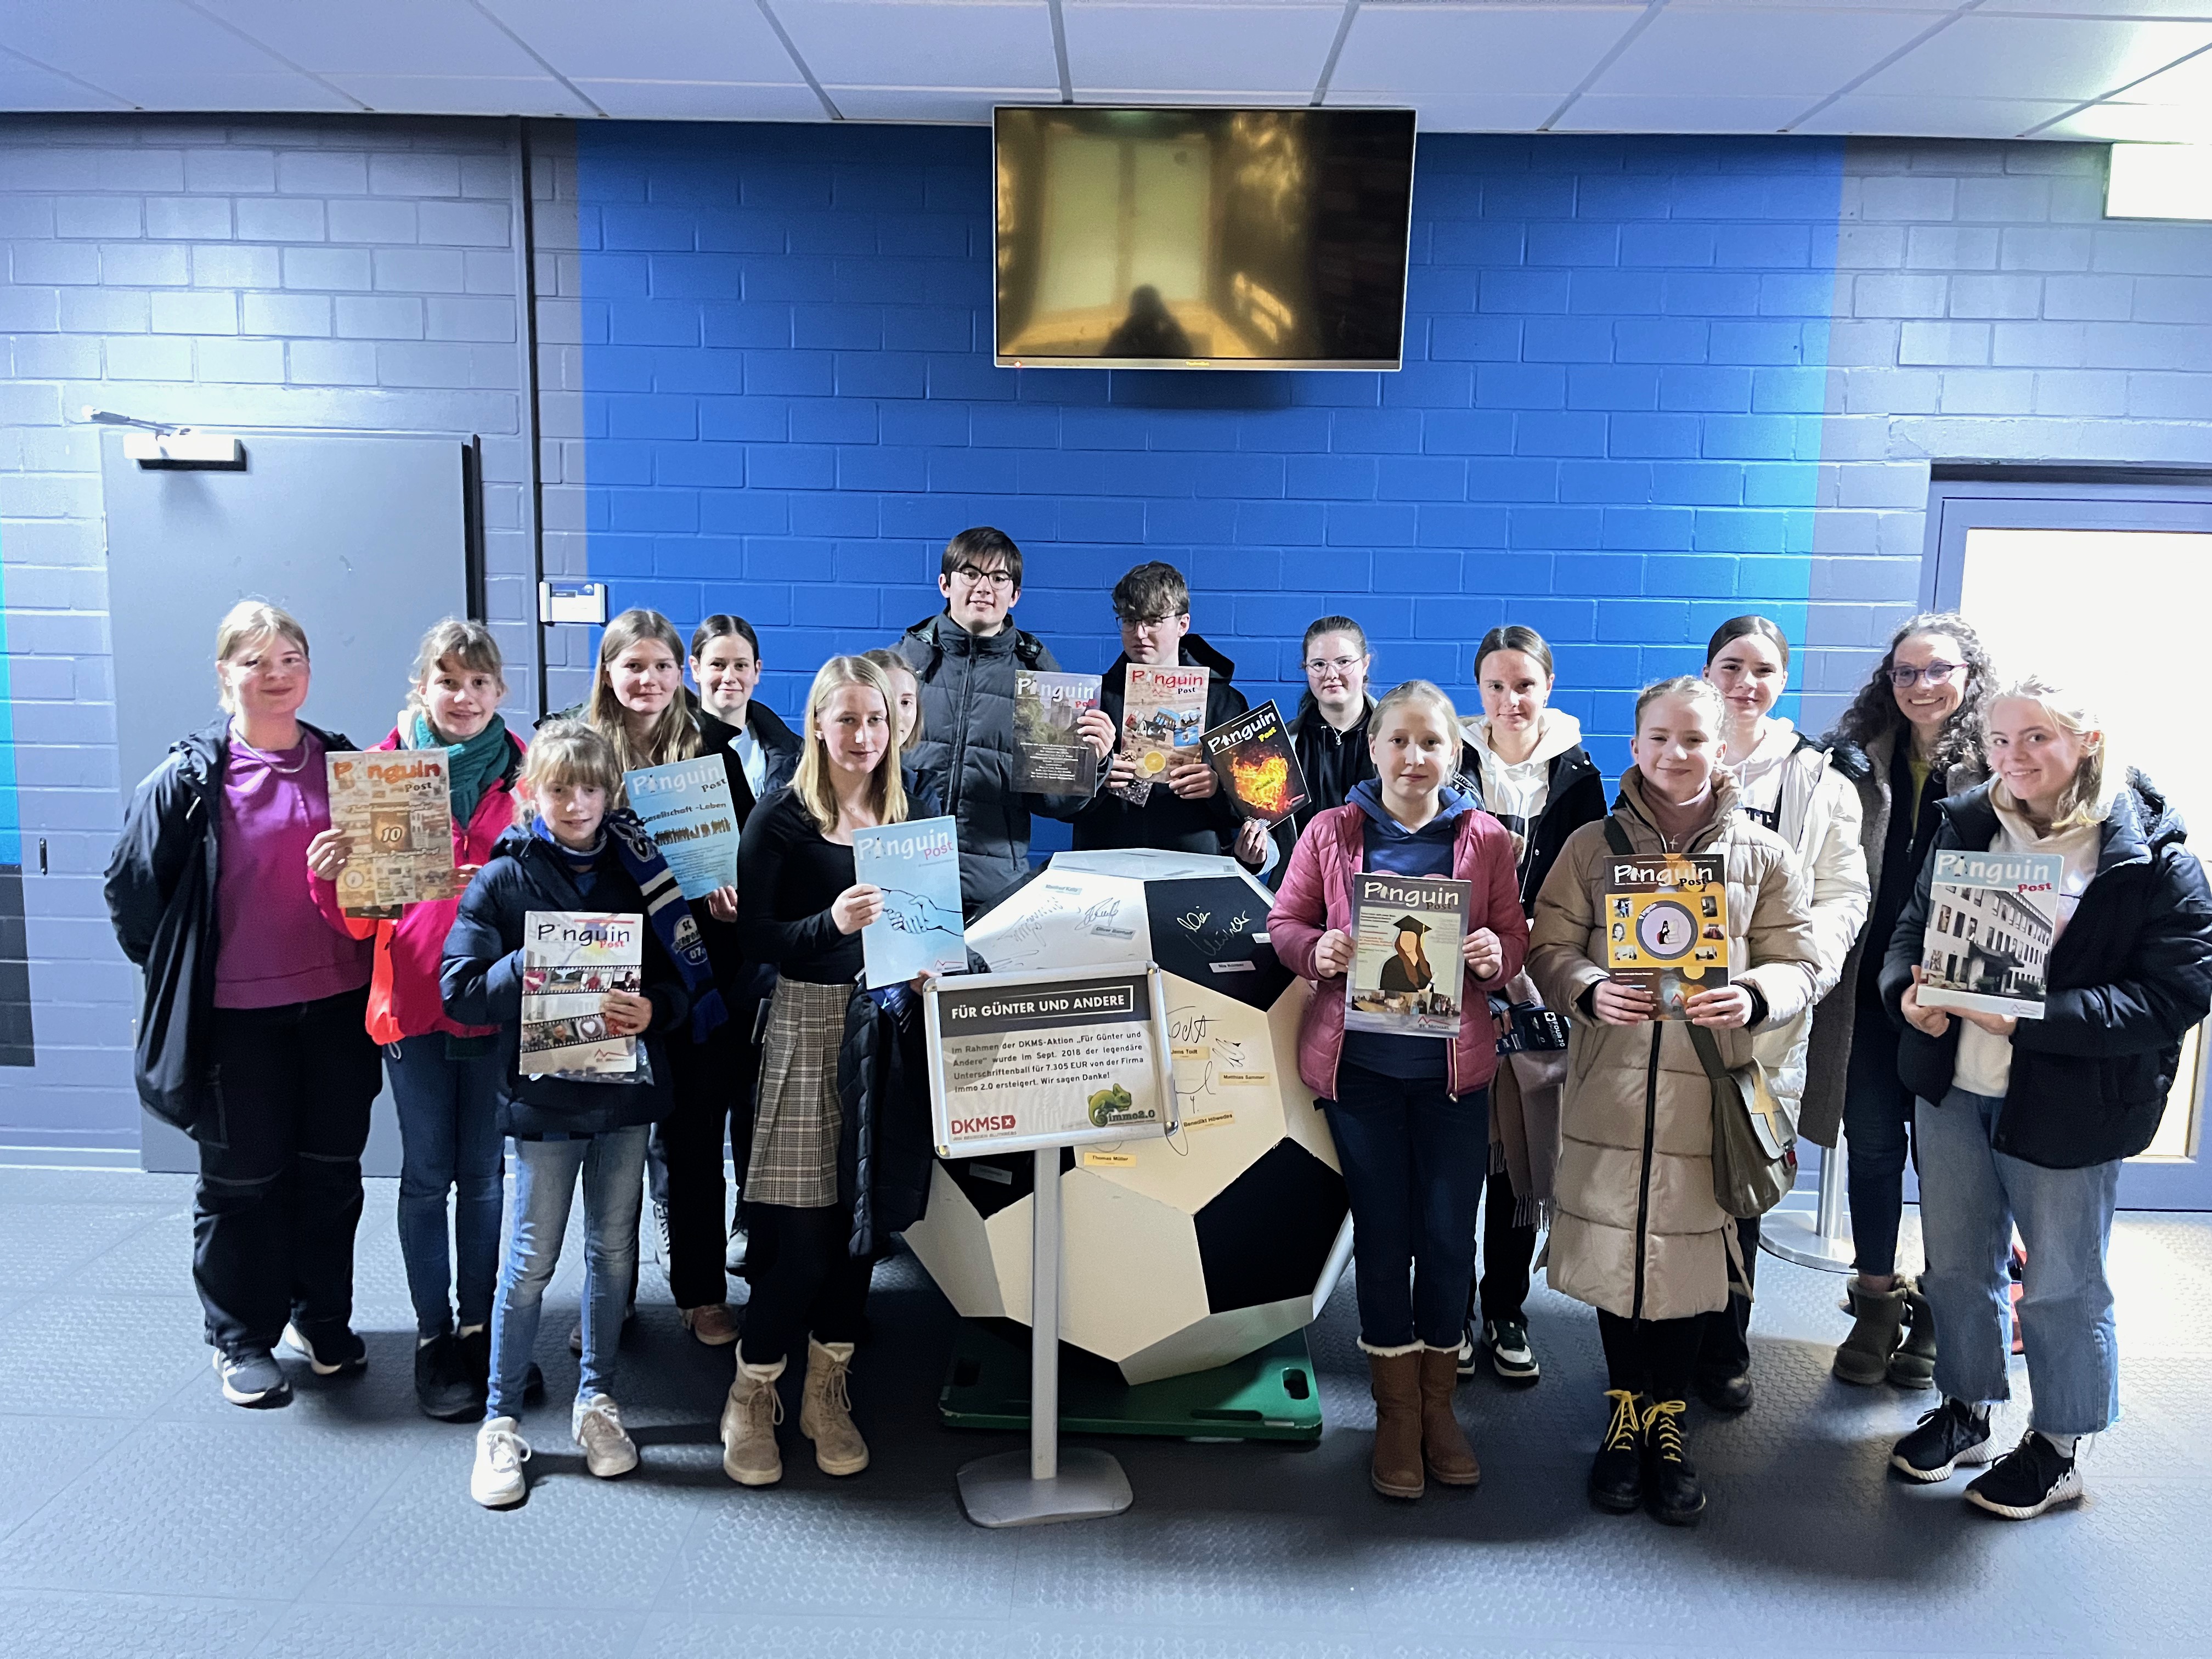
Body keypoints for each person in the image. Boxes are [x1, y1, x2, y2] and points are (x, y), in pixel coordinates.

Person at [1884, 679, 2211, 1519]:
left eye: (2036, 737)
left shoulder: (2151, 856)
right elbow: (1913, 930)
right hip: (1953, 1087)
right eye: (2000, 740)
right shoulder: (1967, 825)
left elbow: (2173, 997)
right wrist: (1906, 998)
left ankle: (2059, 1446)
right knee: (1959, 1268)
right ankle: (1967, 1409)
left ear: (2087, 740)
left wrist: (2033, 1018)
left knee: (2064, 1284)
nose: (2014, 758)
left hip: (2071, 1104)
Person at [1528, 676, 1818, 1526]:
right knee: (1615, 1252)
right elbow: (1548, 945)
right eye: (1659, 737)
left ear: (1721, 748)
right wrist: (1586, 987)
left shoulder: (1765, 856)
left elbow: (1800, 962)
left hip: (1709, 1093)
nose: (1675, 753)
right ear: (1635, 745)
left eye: (1693, 739)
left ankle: (1668, 1418)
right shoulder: (1591, 846)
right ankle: (1625, 1410)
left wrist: (1755, 994)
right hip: (1611, 1091)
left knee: (1691, 1257)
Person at [105, 601, 382, 1409]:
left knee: (332, 1176)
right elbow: (133, 895)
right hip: (236, 1019)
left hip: (339, 1009)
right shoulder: (188, 780)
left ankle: (320, 1320)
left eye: (291, 659)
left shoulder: (349, 768)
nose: (276, 676)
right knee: (243, 1182)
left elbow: (390, 883)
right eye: (256, 661)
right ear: (225, 673)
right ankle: (240, 1338)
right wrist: (190, 973)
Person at [1268, 680, 1527, 1502]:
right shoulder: (1331, 831)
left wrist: (1496, 956)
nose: (1415, 758)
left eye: (1432, 743)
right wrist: (1318, 951)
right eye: (1400, 741)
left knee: (1450, 1240)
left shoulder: (1486, 838)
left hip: (1453, 1078)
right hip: (1362, 1076)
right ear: (1375, 748)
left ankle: (1439, 1409)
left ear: (1456, 754)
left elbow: (1514, 938)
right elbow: (1285, 923)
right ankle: (1395, 1414)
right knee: (1384, 1242)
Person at [443, 721, 700, 1508]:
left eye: (591, 788)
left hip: (624, 1096)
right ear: (533, 794)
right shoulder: (503, 879)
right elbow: (458, 990)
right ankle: (500, 1420)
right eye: (560, 789)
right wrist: (529, 963)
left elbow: (685, 980)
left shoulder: (642, 872)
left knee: (613, 1253)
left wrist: (654, 1009)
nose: (577, 803)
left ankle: (597, 1399)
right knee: (530, 1261)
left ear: (610, 792)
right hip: (545, 1101)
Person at [305, 618, 529, 1421]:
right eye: (448, 681)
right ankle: (435, 1337)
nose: (464, 697)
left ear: (499, 691)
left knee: (486, 1176)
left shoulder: (531, 775)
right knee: (429, 1176)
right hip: (415, 1006)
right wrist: (332, 880)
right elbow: (358, 923)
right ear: (423, 687)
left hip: (499, 1004)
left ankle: (480, 1328)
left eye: (479, 683)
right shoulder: (383, 774)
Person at [721, 656, 915, 1488]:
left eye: (876, 720)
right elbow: (755, 939)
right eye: (847, 720)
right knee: (800, 1247)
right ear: (817, 725)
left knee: (858, 1236)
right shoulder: (783, 816)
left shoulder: (905, 810)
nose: (864, 736)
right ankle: (752, 1390)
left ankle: (825, 1393)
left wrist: (929, 960)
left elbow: (921, 924)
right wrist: (830, 923)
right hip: (805, 1025)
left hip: (884, 1028)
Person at [1807, 614, 1994, 1388]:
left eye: (1939, 669)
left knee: (1951, 1164)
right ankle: (1876, 1303)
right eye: (1906, 672)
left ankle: (1942, 1308)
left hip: (1960, 998)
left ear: (1970, 676)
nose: (1922, 686)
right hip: (1868, 992)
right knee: (1875, 1148)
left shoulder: (1996, 764)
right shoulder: (1855, 760)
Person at [1691, 616, 1869, 1412]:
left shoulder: (1820, 783)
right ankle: (1664, 1342)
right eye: (1731, 666)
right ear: (1708, 672)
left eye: (1762, 669)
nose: (1745, 683)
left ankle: (1726, 1346)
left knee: (1743, 1180)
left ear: (1783, 681)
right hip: (1673, 1018)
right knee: (1672, 1180)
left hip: (1765, 1025)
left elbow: (1843, 898)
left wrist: (1787, 982)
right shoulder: (1678, 756)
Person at [573, 610, 737, 1346]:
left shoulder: (712, 753)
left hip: (692, 978)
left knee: (695, 1142)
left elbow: (745, 854)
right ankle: (609, 1296)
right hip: (603, 973)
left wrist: (735, 894)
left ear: (681, 673)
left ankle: (701, 1292)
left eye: (662, 666)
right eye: (633, 666)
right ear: (607, 672)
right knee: (606, 1149)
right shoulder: (577, 753)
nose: (649, 680)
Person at [1454, 624, 1606, 1387]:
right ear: (1478, 689)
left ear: (1549, 687)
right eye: (1496, 686)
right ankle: (1452, 1308)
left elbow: (1594, 885)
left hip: (1536, 983)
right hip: (1452, 979)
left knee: (1519, 1150)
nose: (1510, 700)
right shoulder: (1451, 759)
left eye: (1525, 685)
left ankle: (1506, 1307)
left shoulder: (1580, 774)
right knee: (1457, 1151)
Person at [894, 527, 1114, 914]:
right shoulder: (902, 664)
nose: (984, 588)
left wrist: (1092, 762)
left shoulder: (1040, 676)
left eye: (999, 578)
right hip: (902, 876)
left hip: (992, 887)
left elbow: (1054, 802)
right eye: (971, 574)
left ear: (1014, 596)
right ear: (945, 584)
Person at [681, 614, 799, 1289]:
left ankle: (751, 1225)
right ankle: (691, 1253)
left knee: (760, 1103)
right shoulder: (673, 748)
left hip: (763, 954)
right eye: (717, 664)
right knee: (696, 1114)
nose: (729, 677)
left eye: (741, 665)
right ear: (695, 670)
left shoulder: (790, 750)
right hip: (695, 957)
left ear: (759, 672)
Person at [1075, 561, 1269, 871]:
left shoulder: (1224, 702)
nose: (1140, 633)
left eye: (1154, 621)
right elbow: (1061, 805)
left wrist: (1217, 789)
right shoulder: (1093, 698)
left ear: (1183, 624)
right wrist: (1095, 777)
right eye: (1130, 620)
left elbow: (1256, 808)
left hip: (1194, 867)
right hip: (1106, 863)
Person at [1267, 617, 1378, 882]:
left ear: (1365, 664)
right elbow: (1272, 843)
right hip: (1300, 891)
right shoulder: (1280, 747)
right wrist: (1258, 856)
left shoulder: (1400, 740)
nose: (1331, 675)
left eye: (1343, 662)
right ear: (1306, 669)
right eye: (1319, 664)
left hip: (1376, 892)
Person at [861, 647, 945, 819]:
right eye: (884, 699)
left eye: (906, 702)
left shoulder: (921, 793)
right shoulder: (811, 787)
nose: (897, 715)